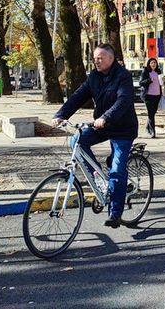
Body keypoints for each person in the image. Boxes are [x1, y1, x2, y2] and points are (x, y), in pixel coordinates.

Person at [51, 44, 138, 229]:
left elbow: (123, 101)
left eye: (100, 58)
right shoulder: (94, 77)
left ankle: (115, 213)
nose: (96, 61)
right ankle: (100, 181)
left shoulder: (123, 76)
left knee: (117, 169)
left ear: (111, 58)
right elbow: (78, 96)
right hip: (103, 126)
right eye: (95, 58)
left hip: (123, 128)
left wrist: (105, 117)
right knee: (77, 140)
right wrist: (61, 115)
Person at [140, 57, 163, 138]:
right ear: (149, 64)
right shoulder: (145, 71)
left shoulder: (158, 72)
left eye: (155, 63)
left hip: (157, 95)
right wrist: (150, 80)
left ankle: (147, 127)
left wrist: (164, 80)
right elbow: (141, 83)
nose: (153, 64)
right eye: (152, 63)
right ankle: (152, 132)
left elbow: (161, 83)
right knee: (151, 114)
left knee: (153, 113)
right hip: (148, 96)